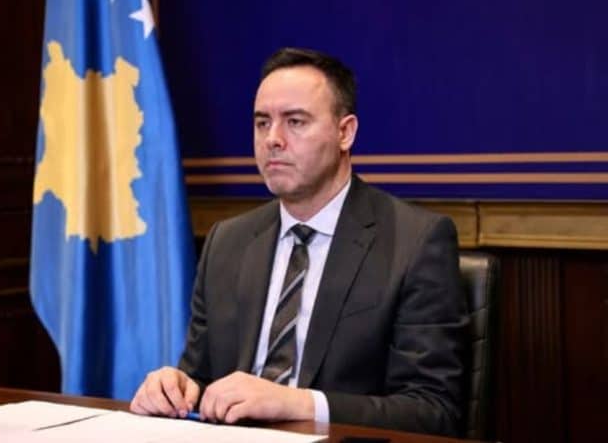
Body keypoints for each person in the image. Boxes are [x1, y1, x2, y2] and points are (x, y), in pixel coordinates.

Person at [130, 47, 469, 437]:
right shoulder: (227, 241)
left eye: (295, 122)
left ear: (345, 132)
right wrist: (176, 389)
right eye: (262, 123)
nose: (273, 139)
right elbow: (201, 378)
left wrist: (299, 404)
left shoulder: (415, 242)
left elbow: (433, 410)